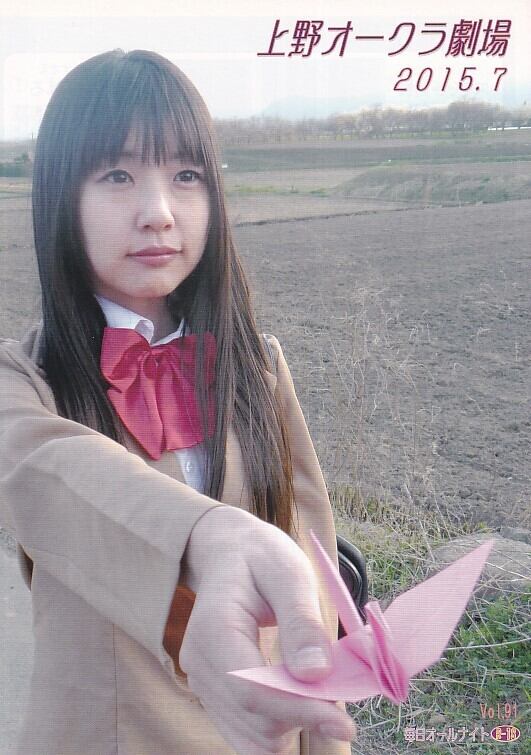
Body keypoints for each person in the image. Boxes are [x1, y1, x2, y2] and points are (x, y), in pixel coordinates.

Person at [0, 49, 355, 755]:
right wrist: (207, 536)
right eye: (117, 175)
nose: (159, 214)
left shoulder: (258, 368)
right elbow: (44, 472)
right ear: (61, 196)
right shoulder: (24, 381)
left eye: (186, 175)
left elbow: (314, 579)